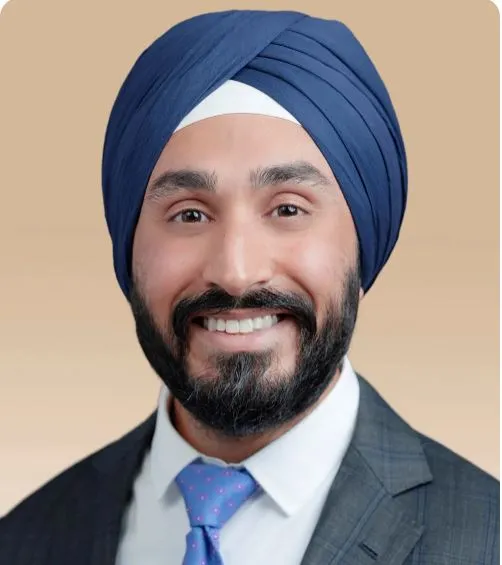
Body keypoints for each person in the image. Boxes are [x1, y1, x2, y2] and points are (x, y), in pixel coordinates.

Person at [0, 9, 498, 565]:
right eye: (189, 215)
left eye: (287, 209)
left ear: (364, 240)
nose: (235, 272)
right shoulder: (24, 540)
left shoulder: (488, 538)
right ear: (129, 247)